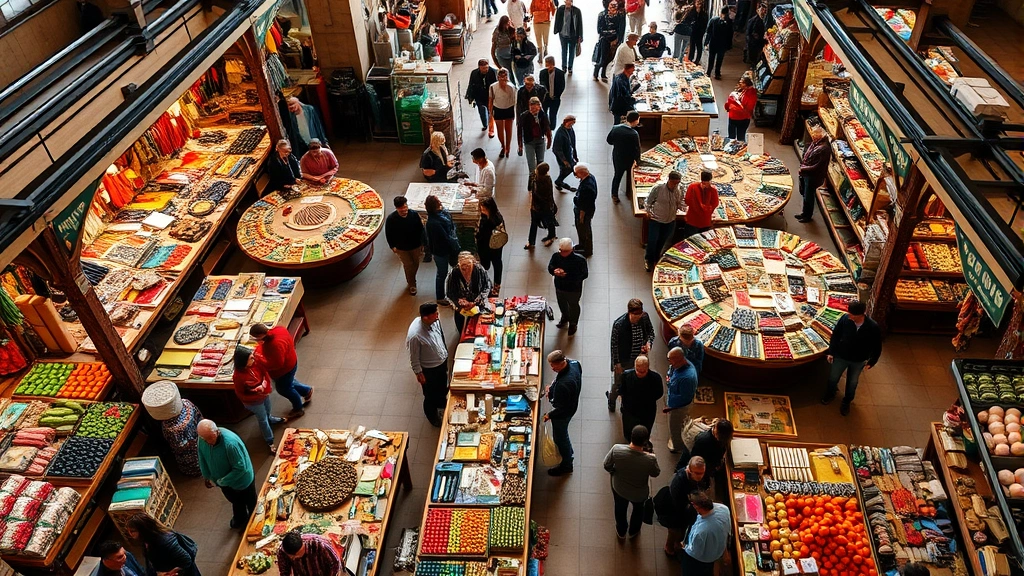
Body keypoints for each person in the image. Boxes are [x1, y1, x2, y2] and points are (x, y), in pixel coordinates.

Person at [822, 300, 882, 415]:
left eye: (851, 314)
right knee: (833, 377)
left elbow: (877, 345)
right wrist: (831, 352)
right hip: (841, 356)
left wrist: (872, 361)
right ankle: (830, 394)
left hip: (858, 360)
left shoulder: (872, 327)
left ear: (860, 315)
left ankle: (847, 401)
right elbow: (836, 335)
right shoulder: (845, 319)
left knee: (852, 382)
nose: (848, 315)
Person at [196, 419, 255, 529]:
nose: (208, 441)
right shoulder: (202, 439)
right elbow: (202, 456)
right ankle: (241, 519)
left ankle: (254, 523)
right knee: (236, 501)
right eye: (205, 439)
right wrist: (206, 475)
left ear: (217, 431)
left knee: (250, 502)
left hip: (242, 481)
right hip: (224, 483)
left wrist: (222, 481)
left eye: (210, 437)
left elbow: (241, 468)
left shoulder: (230, 444)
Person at [604, 425, 661, 538]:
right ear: (646, 440)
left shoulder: (617, 449)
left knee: (620, 508)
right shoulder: (650, 459)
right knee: (638, 510)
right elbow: (655, 473)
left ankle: (621, 530)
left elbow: (606, 465)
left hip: (619, 487)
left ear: (631, 436)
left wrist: (614, 472)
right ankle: (633, 531)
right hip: (639, 492)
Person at [250, 323, 311, 419]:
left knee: (284, 389)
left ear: (260, 336)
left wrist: (259, 358)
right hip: (291, 360)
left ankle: (298, 408)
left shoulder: (273, 345)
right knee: (289, 382)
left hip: (284, 370)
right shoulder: (279, 329)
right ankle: (306, 390)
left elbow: (276, 365)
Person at [232, 347, 286, 451]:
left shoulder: (255, 364)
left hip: (263, 394)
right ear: (243, 361)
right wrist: (256, 393)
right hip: (254, 402)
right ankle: (269, 440)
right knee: (263, 419)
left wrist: (265, 385)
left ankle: (271, 419)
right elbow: (240, 393)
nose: (254, 359)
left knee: (268, 410)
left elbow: (265, 373)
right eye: (250, 358)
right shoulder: (238, 376)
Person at [407, 302, 449, 427]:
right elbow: (414, 357)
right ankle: (433, 417)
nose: (438, 316)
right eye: (435, 314)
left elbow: (440, 337)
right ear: (425, 318)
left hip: (441, 362)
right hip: (429, 370)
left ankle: (441, 403)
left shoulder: (435, 321)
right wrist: (419, 373)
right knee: (430, 394)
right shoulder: (415, 335)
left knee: (442, 387)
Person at [608, 298, 655, 410]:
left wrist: (649, 343)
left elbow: (651, 332)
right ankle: (612, 400)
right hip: (624, 360)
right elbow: (614, 345)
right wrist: (616, 363)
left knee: (634, 382)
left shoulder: (644, 317)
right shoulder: (619, 324)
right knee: (618, 384)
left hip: (639, 358)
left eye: (639, 315)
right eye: (635, 316)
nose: (637, 318)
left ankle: (626, 402)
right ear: (629, 312)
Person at [544, 350, 582, 475]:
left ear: (561, 363)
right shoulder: (575, 363)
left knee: (561, 438)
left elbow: (561, 408)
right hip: (572, 405)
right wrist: (553, 387)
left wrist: (549, 415)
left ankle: (567, 464)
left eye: (553, 365)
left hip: (564, 414)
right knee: (562, 436)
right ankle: (569, 453)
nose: (552, 368)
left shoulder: (564, 384)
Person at [125, 515, 200, 576]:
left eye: (132, 531)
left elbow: (186, 560)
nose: (130, 534)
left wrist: (170, 573)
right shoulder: (147, 540)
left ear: (143, 530)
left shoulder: (165, 542)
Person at [680, 491, 732, 576]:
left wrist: (685, 547)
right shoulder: (724, 509)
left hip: (701, 560)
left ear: (696, 506)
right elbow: (727, 531)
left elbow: (695, 552)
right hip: (716, 552)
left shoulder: (701, 532)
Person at [664, 456, 708, 556]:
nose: (700, 476)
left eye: (702, 473)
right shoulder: (679, 481)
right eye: (697, 473)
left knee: (683, 530)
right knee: (674, 531)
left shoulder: (699, 476)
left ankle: (678, 543)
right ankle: (669, 547)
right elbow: (676, 502)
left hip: (688, 511)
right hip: (676, 512)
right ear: (689, 470)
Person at [644, 170, 685, 270]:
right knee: (653, 240)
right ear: (669, 180)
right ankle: (648, 259)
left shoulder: (678, 189)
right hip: (656, 219)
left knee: (662, 241)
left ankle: (656, 258)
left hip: (670, 220)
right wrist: (648, 211)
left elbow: (679, 202)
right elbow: (648, 200)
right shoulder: (658, 188)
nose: (676, 185)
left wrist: (683, 207)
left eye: (677, 183)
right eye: (674, 183)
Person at [385, 196, 426, 295]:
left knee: (415, 264)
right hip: (401, 248)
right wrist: (392, 246)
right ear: (396, 208)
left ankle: (412, 278)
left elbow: (421, 230)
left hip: (415, 246)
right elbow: (388, 233)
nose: (404, 210)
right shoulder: (391, 219)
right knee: (408, 265)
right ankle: (412, 284)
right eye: (401, 209)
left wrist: (423, 243)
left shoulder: (414, 215)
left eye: (405, 207)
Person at [424, 194, 461, 303]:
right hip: (441, 251)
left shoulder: (442, 213)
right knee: (442, 273)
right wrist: (454, 245)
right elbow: (445, 237)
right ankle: (440, 297)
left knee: (454, 270)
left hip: (445, 249)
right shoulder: (433, 223)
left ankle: (456, 290)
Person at [548, 238, 589, 334]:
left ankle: (573, 323)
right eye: (561, 251)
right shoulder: (556, 256)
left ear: (572, 250)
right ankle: (565, 317)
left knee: (573, 305)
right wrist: (554, 271)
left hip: (573, 289)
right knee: (561, 303)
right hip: (559, 286)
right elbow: (550, 267)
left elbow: (584, 275)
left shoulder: (580, 260)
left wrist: (566, 275)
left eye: (565, 251)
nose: (562, 253)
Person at [618, 356, 663, 441]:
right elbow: (622, 390)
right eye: (638, 370)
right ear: (634, 367)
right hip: (630, 410)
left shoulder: (656, 378)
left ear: (648, 367)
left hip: (647, 411)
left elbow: (659, 393)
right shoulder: (626, 375)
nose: (639, 374)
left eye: (643, 371)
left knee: (645, 432)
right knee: (629, 432)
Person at [446, 252, 493, 334]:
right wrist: (459, 302)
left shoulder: (479, 270)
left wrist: (475, 302)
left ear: (473, 262)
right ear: (458, 264)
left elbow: (487, 286)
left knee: (478, 325)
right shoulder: (454, 273)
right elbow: (449, 293)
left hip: (477, 303)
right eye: (462, 266)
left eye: (468, 265)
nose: (465, 268)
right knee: (461, 325)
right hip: (461, 306)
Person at [794, 124, 831, 222]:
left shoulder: (824, 148)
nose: (813, 135)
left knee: (809, 196)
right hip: (807, 174)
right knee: (805, 195)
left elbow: (817, 166)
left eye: (815, 134)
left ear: (821, 135)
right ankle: (804, 213)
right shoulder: (816, 143)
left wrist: (803, 169)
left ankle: (807, 216)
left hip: (813, 176)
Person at [665, 347, 697, 453]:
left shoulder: (687, 378)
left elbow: (684, 398)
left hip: (679, 407)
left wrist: (671, 406)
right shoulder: (677, 365)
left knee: (675, 426)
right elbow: (670, 370)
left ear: (678, 359)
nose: (669, 362)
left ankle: (677, 446)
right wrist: (669, 377)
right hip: (674, 401)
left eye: (670, 359)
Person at [607, 110, 641, 200]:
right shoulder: (634, 134)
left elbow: (609, 141)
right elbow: (637, 149)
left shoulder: (615, 128)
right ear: (635, 120)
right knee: (630, 176)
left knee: (617, 175)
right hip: (629, 159)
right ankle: (629, 193)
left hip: (617, 157)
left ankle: (614, 194)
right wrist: (637, 160)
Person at [476, 199, 506, 293]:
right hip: (489, 246)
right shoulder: (487, 216)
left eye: (484, 209)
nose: (482, 210)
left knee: (495, 264)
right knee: (491, 264)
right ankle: (489, 284)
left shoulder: (494, 220)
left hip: (492, 246)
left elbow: (484, 233)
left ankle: (495, 285)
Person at [526, 163, 558, 249]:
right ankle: (531, 241)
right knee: (534, 223)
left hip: (544, 207)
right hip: (537, 206)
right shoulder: (535, 177)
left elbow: (545, 196)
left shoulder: (546, 181)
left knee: (548, 222)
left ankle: (551, 236)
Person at [517, 97, 553, 175]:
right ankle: (532, 184)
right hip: (529, 142)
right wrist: (520, 146)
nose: (534, 111)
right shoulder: (524, 116)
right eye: (532, 109)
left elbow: (547, 127)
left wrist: (549, 140)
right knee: (532, 167)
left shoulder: (542, 115)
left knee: (541, 164)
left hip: (540, 140)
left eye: (536, 109)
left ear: (539, 107)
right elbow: (519, 131)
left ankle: (541, 182)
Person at [489, 68, 518, 159]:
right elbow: (490, 99)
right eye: (500, 77)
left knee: (508, 130)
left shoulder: (512, 87)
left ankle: (508, 147)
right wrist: (490, 112)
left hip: (509, 109)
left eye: (504, 76)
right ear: (498, 77)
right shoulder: (493, 87)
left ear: (507, 77)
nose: (502, 79)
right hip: (498, 109)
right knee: (500, 130)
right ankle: (503, 145)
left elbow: (515, 101)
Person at [594, 1, 625, 81]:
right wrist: (610, 33)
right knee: (603, 58)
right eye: (612, 6)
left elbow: (620, 29)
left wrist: (617, 39)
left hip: (615, 40)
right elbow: (599, 30)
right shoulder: (602, 15)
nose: (613, 8)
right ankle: (596, 71)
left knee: (610, 58)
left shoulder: (619, 15)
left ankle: (603, 73)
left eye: (615, 6)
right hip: (604, 39)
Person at [683, 169, 719, 237]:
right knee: (702, 242)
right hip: (705, 220)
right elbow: (715, 203)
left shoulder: (692, 186)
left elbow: (687, 201)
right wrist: (708, 210)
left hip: (692, 219)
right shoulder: (713, 189)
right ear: (710, 179)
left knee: (689, 241)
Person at [572, 164, 598, 257]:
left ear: (582, 173)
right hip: (584, 209)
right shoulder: (590, 178)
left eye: (576, 173)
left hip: (584, 211)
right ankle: (581, 244)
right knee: (580, 228)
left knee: (585, 228)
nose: (575, 175)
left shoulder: (587, 187)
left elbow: (585, 203)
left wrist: (581, 215)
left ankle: (587, 250)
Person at [466, 59, 498, 134]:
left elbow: (496, 85)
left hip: (490, 96)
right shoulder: (474, 73)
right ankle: (485, 124)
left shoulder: (493, 72)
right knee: (481, 111)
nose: (486, 70)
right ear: (479, 67)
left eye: (487, 68)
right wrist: (470, 96)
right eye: (483, 68)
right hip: (479, 96)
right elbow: (471, 84)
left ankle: (491, 129)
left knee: (491, 112)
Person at [553, 0, 583, 74]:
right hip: (562, 33)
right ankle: (564, 66)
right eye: (567, 0)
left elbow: (579, 24)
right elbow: (557, 20)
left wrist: (580, 35)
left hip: (573, 34)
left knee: (572, 51)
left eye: (569, 1)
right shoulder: (560, 9)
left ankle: (570, 66)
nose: (568, 2)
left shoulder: (577, 11)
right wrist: (556, 30)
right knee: (564, 50)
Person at [704, 6, 733, 79]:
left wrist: (706, 42)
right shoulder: (729, 23)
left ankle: (708, 72)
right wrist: (729, 46)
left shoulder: (714, 20)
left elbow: (708, 32)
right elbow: (730, 35)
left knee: (711, 58)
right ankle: (717, 73)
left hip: (713, 43)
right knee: (719, 59)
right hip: (722, 45)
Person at [725, 76, 757, 141]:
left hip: (740, 118)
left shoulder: (751, 95)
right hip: (739, 118)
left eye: (741, 82)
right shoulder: (745, 91)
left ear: (746, 84)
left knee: (737, 137)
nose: (740, 83)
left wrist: (733, 107)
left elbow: (748, 108)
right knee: (739, 137)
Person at [552, 116, 579, 191]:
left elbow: (573, 143)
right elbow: (557, 149)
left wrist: (575, 155)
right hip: (562, 155)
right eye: (570, 124)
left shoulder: (570, 129)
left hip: (568, 153)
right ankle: (559, 181)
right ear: (565, 122)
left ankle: (559, 181)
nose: (571, 126)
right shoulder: (560, 133)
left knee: (570, 167)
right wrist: (564, 161)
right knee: (567, 168)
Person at [538, 56, 566, 126]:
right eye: (547, 65)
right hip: (545, 99)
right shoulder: (542, 73)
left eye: (550, 65)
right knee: (543, 114)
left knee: (553, 115)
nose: (548, 67)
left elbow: (562, 86)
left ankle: (552, 128)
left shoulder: (560, 73)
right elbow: (542, 84)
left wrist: (557, 95)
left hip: (555, 99)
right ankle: (546, 128)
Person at [491, 17, 518, 85]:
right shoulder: (497, 31)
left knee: (514, 71)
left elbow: (515, 41)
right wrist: (494, 58)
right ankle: (510, 85)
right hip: (501, 54)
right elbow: (493, 46)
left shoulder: (510, 29)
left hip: (510, 52)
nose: (507, 25)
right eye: (506, 24)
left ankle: (514, 85)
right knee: (507, 72)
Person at [686, 0, 709, 64]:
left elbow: (705, 23)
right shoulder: (691, 12)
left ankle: (697, 60)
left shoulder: (704, 13)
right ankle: (690, 59)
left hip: (699, 32)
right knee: (692, 45)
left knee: (699, 46)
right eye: (697, 3)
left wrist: (703, 31)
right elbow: (688, 20)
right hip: (692, 31)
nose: (698, 5)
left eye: (700, 4)